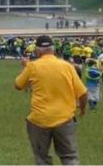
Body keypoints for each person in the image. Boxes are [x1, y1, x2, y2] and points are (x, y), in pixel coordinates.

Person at [15, 35, 87, 165]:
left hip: (39, 119)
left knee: (42, 158)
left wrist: (25, 67)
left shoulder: (32, 66)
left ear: (38, 51)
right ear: (54, 50)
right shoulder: (67, 66)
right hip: (64, 118)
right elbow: (82, 92)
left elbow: (18, 85)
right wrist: (82, 107)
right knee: (69, 156)